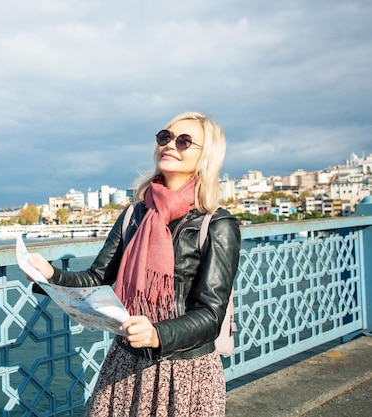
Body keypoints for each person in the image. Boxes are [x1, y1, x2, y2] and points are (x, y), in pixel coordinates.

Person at [26, 111, 241, 416]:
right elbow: (98, 277)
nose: (170, 145)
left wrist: (157, 333)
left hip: (184, 371)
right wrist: (49, 276)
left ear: (206, 156)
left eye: (184, 141)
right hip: (125, 360)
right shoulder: (134, 214)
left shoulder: (217, 224)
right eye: (165, 137)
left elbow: (210, 315)